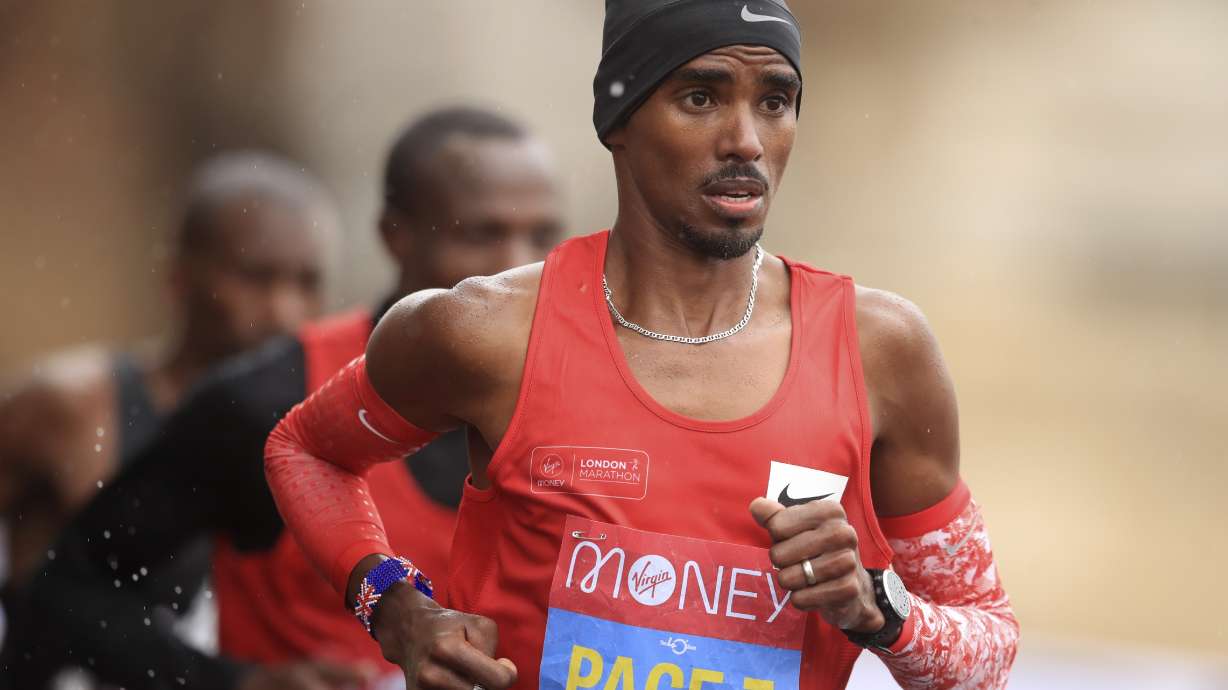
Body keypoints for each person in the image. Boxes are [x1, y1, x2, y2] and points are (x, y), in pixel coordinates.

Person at [264, 2, 1021, 690]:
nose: (746, 142)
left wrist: (879, 609)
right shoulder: (486, 331)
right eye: (701, 97)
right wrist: (396, 609)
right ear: (619, 118)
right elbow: (305, 450)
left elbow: (987, 652)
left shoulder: (880, 351)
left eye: (775, 102)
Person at [11, 107, 564, 690]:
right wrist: (238, 683)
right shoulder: (269, 399)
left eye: (542, 236)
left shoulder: (579, 401)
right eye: (481, 234)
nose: (516, 264)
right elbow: (70, 590)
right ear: (394, 235)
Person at [0, 150, 336, 594]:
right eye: (256, 278)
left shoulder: (323, 434)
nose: (284, 311)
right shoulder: (71, 407)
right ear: (180, 277)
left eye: (306, 283)